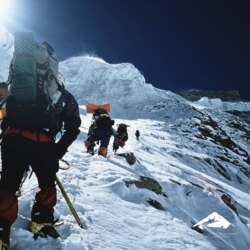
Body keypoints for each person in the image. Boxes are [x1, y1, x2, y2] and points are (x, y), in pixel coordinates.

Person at [0, 81, 81, 248]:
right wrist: (58, 151)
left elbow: (4, 113)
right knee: (46, 183)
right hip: (43, 144)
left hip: (12, 138)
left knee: (8, 183)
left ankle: (1, 225)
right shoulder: (63, 95)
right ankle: (42, 221)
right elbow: (73, 126)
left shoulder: (19, 87)